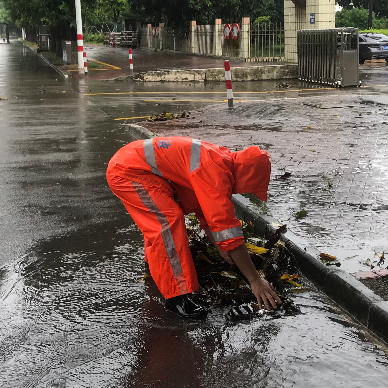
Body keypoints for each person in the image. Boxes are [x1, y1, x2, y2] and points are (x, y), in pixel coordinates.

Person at [106, 136, 282, 319]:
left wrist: (220, 247)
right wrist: (255, 280)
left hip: (132, 164)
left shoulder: (220, 161)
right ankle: (177, 298)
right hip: (128, 171)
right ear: (248, 176)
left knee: (159, 218)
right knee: (167, 222)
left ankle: (157, 269)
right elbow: (225, 227)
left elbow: (207, 214)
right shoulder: (215, 172)